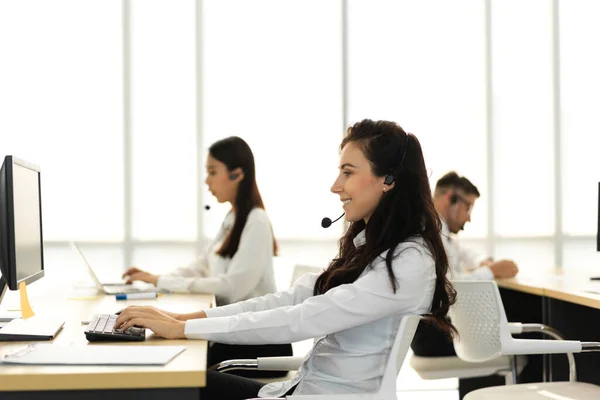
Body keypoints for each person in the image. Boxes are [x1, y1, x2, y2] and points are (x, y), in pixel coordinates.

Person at [115, 119, 457, 400]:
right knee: (174, 384)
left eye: (348, 172)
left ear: (389, 180)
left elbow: (303, 318)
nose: (335, 186)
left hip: (321, 397)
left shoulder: (409, 261)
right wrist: (185, 318)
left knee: (166, 389)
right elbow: (290, 298)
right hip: (297, 390)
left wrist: (184, 329)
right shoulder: (371, 247)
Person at [122, 136, 291, 378]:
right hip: (233, 333)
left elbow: (230, 289)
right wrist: (156, 278)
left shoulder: (257, 221)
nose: (207, 180)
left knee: (169, 363)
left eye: (212, 172)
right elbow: (202, 265)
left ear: (237, 174)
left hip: (258, 342)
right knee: (158, 347)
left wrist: (162, 282)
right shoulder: (232, 218)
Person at [433, 171, 518, 281]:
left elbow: (463, 253)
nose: (469, 219)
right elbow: (448, 282)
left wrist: (483, 262)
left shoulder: (443, 232)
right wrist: (491, 271)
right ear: (450, 198)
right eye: (468, 208)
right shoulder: (427, 233)